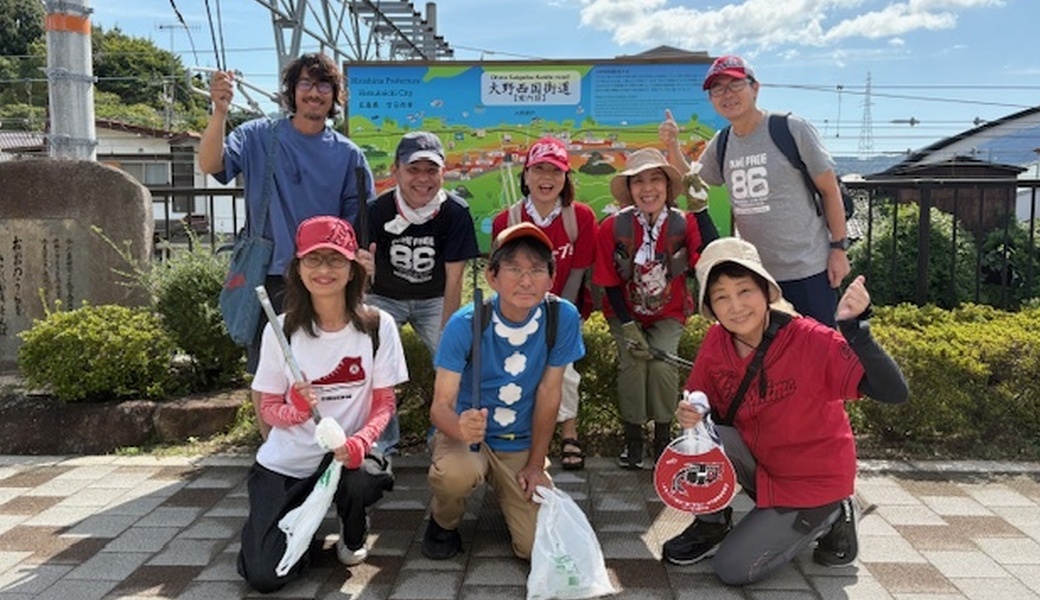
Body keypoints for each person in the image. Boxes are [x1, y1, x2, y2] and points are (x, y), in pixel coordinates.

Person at [661, 236, 908, 585]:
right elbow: (701, 400)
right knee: (704, 436)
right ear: (711, 307)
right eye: (721, 297)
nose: (735, 306)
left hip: (812, 481)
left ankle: (835, 512)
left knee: (732, 569)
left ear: (766, 291)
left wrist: (858, 332)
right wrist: (692, 413)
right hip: (765, 468)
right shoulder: (717, 340)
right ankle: (711, 525)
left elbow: (893, 392)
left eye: (744, 291)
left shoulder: (810, 339)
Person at [198, 52, 376, 440]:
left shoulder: (349, 156)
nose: (315, 93)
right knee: (268, 369)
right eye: (306, 85)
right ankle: (272, 452)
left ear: (335, 95)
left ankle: (323, 444)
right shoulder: (258, 135)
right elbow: (211, 165)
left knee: (324, 364)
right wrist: (219, 110)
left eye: (324, 85)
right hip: (272, 272)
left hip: (326, 276)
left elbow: (358, 226)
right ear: (292, 92)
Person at [237, 216, 408, 593]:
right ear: (297, 268)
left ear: (352, 269)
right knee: (264, 575)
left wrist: (361, 441)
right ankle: (303, 528)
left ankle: (352, 526)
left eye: (336, 259)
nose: (324, 270)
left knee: (362, 478)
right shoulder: (280, 329)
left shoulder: (379, 326)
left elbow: (384, 402)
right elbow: (267, 409)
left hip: (349, 459)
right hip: (288, 463)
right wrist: (295, 410)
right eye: (313, 260)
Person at [422, 223, 585, 561]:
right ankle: (443, 521)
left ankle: (510, 491)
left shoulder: (562, 317)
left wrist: (537, 464)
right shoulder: (465, 322)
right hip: (467, 439)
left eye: (537, 270)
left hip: (520, 443)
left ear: (551, 279)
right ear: (492, 277)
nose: (526, 281)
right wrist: (458, 427)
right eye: (513, 269)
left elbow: (549, 393)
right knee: (456, 474)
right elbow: (440, 407)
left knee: (533, 549)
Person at [659, 54, 849, 327]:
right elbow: (691, 180)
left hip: (809, 270)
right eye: (718, 89)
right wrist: (673, 146)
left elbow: (830, 190)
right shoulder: (722, 142)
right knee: (769, 359)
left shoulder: (791, 129)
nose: (727, 94)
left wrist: (839, 249)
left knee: (820, 354)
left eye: (735, 85)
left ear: (755, 87)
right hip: (757, 275)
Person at [592, 148, 717, 470]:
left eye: (655, 179)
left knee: (663, 365)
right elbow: (607, 280)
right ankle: (632, 438)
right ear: (630, 189)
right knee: (632, 364)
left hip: (669, 310)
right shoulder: (611, 228)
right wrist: (628, 324)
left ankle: (663, 438)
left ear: (668, 187)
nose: (648, 189)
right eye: (639, 182)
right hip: (624, 311)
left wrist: (701, 209)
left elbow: (711, 254)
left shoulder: (683, 223)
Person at [366, 131, 479, 458]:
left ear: (443, 173)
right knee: (370, 356)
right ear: (395, 170)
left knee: (456, 359)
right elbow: (361, 273)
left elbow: (454, 279)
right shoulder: (376, 211)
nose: (423, 179)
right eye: (414, 169)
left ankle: (441, 436)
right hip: (384, 296)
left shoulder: (456, 212)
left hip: (434, 298)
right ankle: (382, 441)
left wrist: (449, 334)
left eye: (431, 170)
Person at [491, 136, 597, 470]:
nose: (546, 177)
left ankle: (569, 433)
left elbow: (579, 270)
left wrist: (557, 317)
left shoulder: (579, 217)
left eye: (556, 170)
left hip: (561, 309)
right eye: (539, 169)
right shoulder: (505, 220)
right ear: (525, 175)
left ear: (566, 178)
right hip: (515, 311)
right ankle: (515, 435)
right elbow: (501, 276)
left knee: (564, 372)